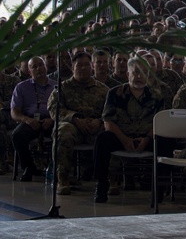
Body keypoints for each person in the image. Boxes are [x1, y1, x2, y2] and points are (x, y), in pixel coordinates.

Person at [93, 57, 168, 203]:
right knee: (102, 139)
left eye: (144, 73)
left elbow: (159, 122)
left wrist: (146, 139)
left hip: (146, 137)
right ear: (128, 75)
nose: (139, 77)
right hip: (121, 136)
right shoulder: (115, 93)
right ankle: (102, 184)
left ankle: (158, 188)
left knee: (165, 141)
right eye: (136, 73)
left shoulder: (156, 95)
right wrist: (124, 139)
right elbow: (108, 121)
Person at [49, 51, 108, 195]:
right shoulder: (62, 88)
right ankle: (62, 178)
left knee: (110, 134)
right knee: (64, 131)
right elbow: (53, 109)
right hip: (72, 126)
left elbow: (111, 110)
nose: (83, 68)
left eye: (87, 65)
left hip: (95, 128)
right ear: (72, 67)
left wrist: (99, 121)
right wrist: (74, 118)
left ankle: (108, 179)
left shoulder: (103, 89)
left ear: (92, 67)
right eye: (79, 65)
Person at [10, 56, 56, 181]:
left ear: (46, 67)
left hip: (50, 119)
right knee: (17, 135)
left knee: (61, 133)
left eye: (41, 65)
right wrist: (27, 120)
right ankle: (28, 167)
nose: (38, 68)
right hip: (30, 120)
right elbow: (14, 112)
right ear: (29, 72)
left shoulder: (56, 86)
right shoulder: (21, 87)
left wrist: (52, 119)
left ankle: (54, 168)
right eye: (34, 67)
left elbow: (62, 108)